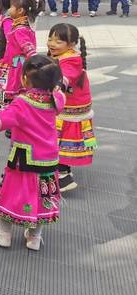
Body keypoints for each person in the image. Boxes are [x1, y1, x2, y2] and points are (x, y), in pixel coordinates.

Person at [0, 55, 64, 251]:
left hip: (23, 160)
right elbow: (61, 94)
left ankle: (4, 234)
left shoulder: (23, 102)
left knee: (12, 192)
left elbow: (2, 119)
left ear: (25, 78)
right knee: (44, 195)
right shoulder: (56, 99)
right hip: (49, 161)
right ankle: (34, 237)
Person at [47, 24, 96, 193]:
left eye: (58, 41)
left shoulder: (71, 60)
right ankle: (61, 173)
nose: (52, 43)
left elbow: (66, 77)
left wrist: (56, 86)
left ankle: (64, 177)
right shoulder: (62, 56)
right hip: (67, 105)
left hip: (71, 109)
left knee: (58, 140)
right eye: (50, 39)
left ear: (72, 44)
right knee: (57, 139)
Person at [3, 0, 40, 106]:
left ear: (20, 11)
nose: (10, 9)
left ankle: (13, 106)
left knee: (15, 83)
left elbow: (26, 45)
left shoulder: (20, 29)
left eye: (12, 7)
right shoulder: (25, 25)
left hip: (18, 61)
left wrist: (34, 58)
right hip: (18, 60)